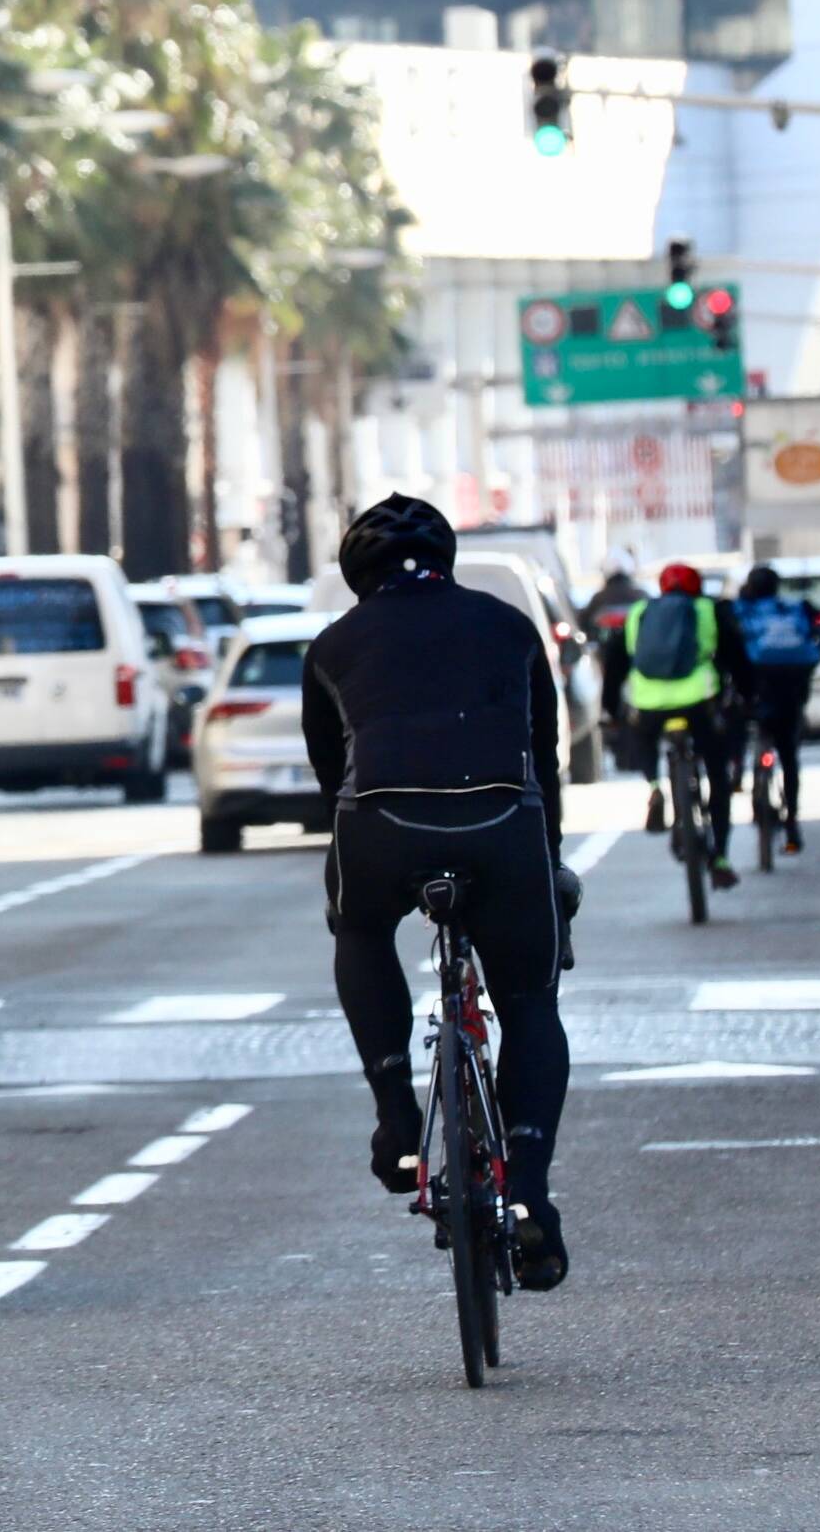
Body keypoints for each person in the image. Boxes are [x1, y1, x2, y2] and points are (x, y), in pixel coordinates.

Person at [303, 493, 577, 1292]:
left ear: (358, 573)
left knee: (357, 932)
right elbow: (544, 757)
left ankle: (395, 1116)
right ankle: (529, 1193)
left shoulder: (331, 645)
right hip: (502, 824)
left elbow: (332, 778)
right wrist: (549, 866)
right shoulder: (511, 627)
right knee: (529, 1001)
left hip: (382, 828)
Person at [623, 561, 741, 887]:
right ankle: (720, 855)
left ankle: (655, 787)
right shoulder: (708, 610)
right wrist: (744, 695)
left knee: (644, 739)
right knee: (717, 773)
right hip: (697, 701)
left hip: (648, 702)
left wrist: (612, 710)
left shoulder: (640, 611)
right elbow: (733, 655)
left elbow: (623, 656)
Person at [734, 564, 820, 853]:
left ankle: (744, 780)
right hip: (793, 683)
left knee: (748, 723)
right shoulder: (794, 608)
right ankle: (793, 823)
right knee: (789, 755)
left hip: (760, 683)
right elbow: (817, 629)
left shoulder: (743, 609)